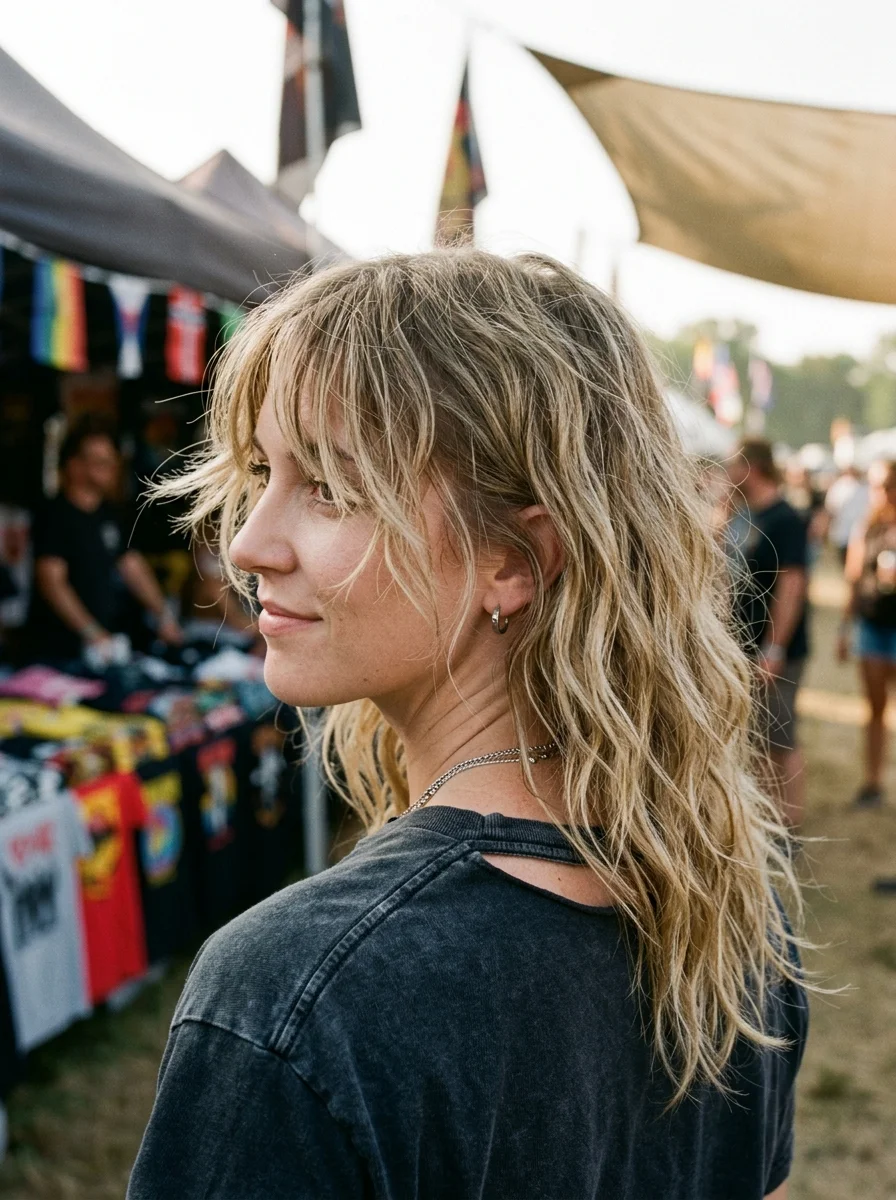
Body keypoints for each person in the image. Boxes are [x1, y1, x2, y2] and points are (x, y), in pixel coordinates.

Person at [129, 252, 808, 1200]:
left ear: (516, 560)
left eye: (329, 486)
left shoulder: (301, 996)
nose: (248, 543)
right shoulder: (730, 895)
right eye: (260, 472)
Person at [24, 415, 182, 662]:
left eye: (111, 461)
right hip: (59, 650)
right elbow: (51, 581)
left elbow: (132, 566)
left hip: (105, 647)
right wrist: (92, 633)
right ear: (74, 465)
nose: (110, 468)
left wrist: (164, 616)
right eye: (100, 462)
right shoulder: (54, 515)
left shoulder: (109, 514)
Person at [727, 439, 810, 828]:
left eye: (734, 464)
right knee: (755, 739)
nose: (728, 470)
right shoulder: (744, 514)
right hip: (745, 647)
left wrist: (774, 647)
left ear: (753, 467)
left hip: (775, 650)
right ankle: (764, 819)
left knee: (780, 737)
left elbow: (791, 587)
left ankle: (789, 826)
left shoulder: (785, 519)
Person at [837, 459, 896, 809]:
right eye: (876, 486)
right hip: (873, 626)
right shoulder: (867, 527)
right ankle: (872, 780)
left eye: (886, 485)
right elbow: (854, 579)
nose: (880, 492)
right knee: (875, 709)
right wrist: (844, 630)